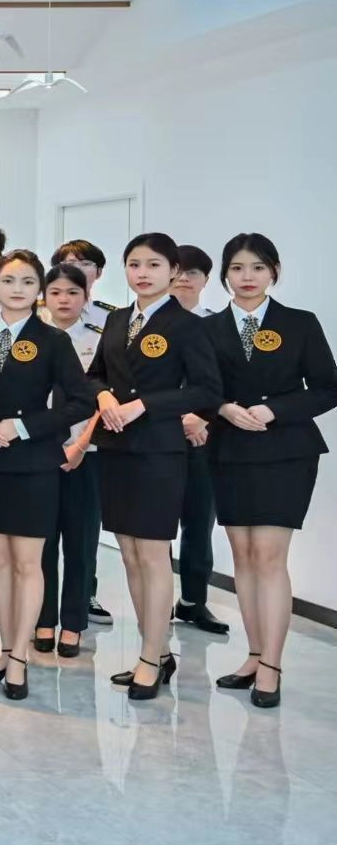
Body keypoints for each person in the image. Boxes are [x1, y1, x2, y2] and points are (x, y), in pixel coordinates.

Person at [89, 232, 224, 700]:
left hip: (159, 452)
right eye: (134, 264)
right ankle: (158, 651)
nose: (142, 273)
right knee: (128, 553)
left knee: (152, 554)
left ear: (174, 272)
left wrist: (145, 404)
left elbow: (207, 390)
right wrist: (103, 397)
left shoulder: (187, 325)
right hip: (115, 449)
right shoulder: (116, 320)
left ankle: (150, 657)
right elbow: (95, 376)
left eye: (153, 264)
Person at [207, 233, 336, 708]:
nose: (247, 277)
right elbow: (196, 388)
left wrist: (275, 410)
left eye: (258, 268)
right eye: (237, 268)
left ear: (274, 272)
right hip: (229, 451)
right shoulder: (208, 329)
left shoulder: (299, 323)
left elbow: (328, 387)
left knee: (268, 557)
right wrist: (222, 408)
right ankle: (254, 655)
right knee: (242, 556)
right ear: (225, 274)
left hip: (285, 452)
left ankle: (272, 666)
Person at [0, 251, 94, 697]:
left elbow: (81, 401)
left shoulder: (53, 340)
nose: (17, 289)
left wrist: (24, 426)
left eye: (28, 282)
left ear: (39, 290)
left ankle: (21, 656)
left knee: (27, 563)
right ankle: (4, 649)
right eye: (9, 281)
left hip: (34, 464)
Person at [37, 263, 105, 657]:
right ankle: (44, 619)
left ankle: (74, 624)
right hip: (40, 454)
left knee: (81, 543)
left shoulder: (99, 339)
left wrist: (79, 445)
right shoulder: (32, 338)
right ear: (44, 296)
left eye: (73, 292)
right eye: (56, 292)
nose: (64, 300)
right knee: (42, 543)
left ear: (86, 297)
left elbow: (104, 397)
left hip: (87, 453)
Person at [169, 243, 228, 634]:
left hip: (204, 438)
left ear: (207, 280)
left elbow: (228, 382)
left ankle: (193, 600)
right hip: (156, 436)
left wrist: (203, 418)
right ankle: (155, 600)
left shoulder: (218, 327)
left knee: (198, 523)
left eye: (193, 273)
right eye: (178, 272)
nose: (184, 280)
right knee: (152, 526)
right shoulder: (152, 324)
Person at [53, 238, 119, 334]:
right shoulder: (39, 313)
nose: (78, 269)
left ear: (99, 272)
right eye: (70, 264)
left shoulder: (113, 317)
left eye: (86, 264)